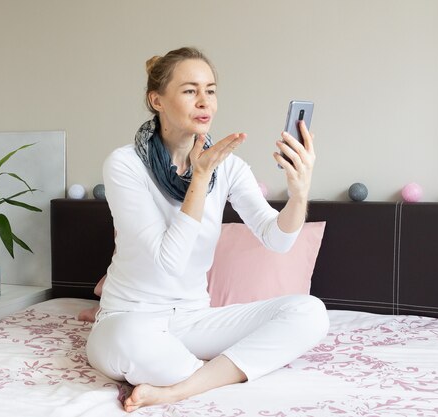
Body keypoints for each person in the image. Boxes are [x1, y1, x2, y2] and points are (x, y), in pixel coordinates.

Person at [83, 46, 329, 412]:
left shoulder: (228, 166)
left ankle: (177, 388)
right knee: (130, 341)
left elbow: (277, 240)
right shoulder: (124, 165)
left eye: (210, 90)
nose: (205, 102)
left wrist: (299, 193)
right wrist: (200, 177)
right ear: (157, 100)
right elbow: (169, 261)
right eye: (189, 90)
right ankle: (211, 374)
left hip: (194, 319)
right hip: (130, 316)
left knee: (310, 313)